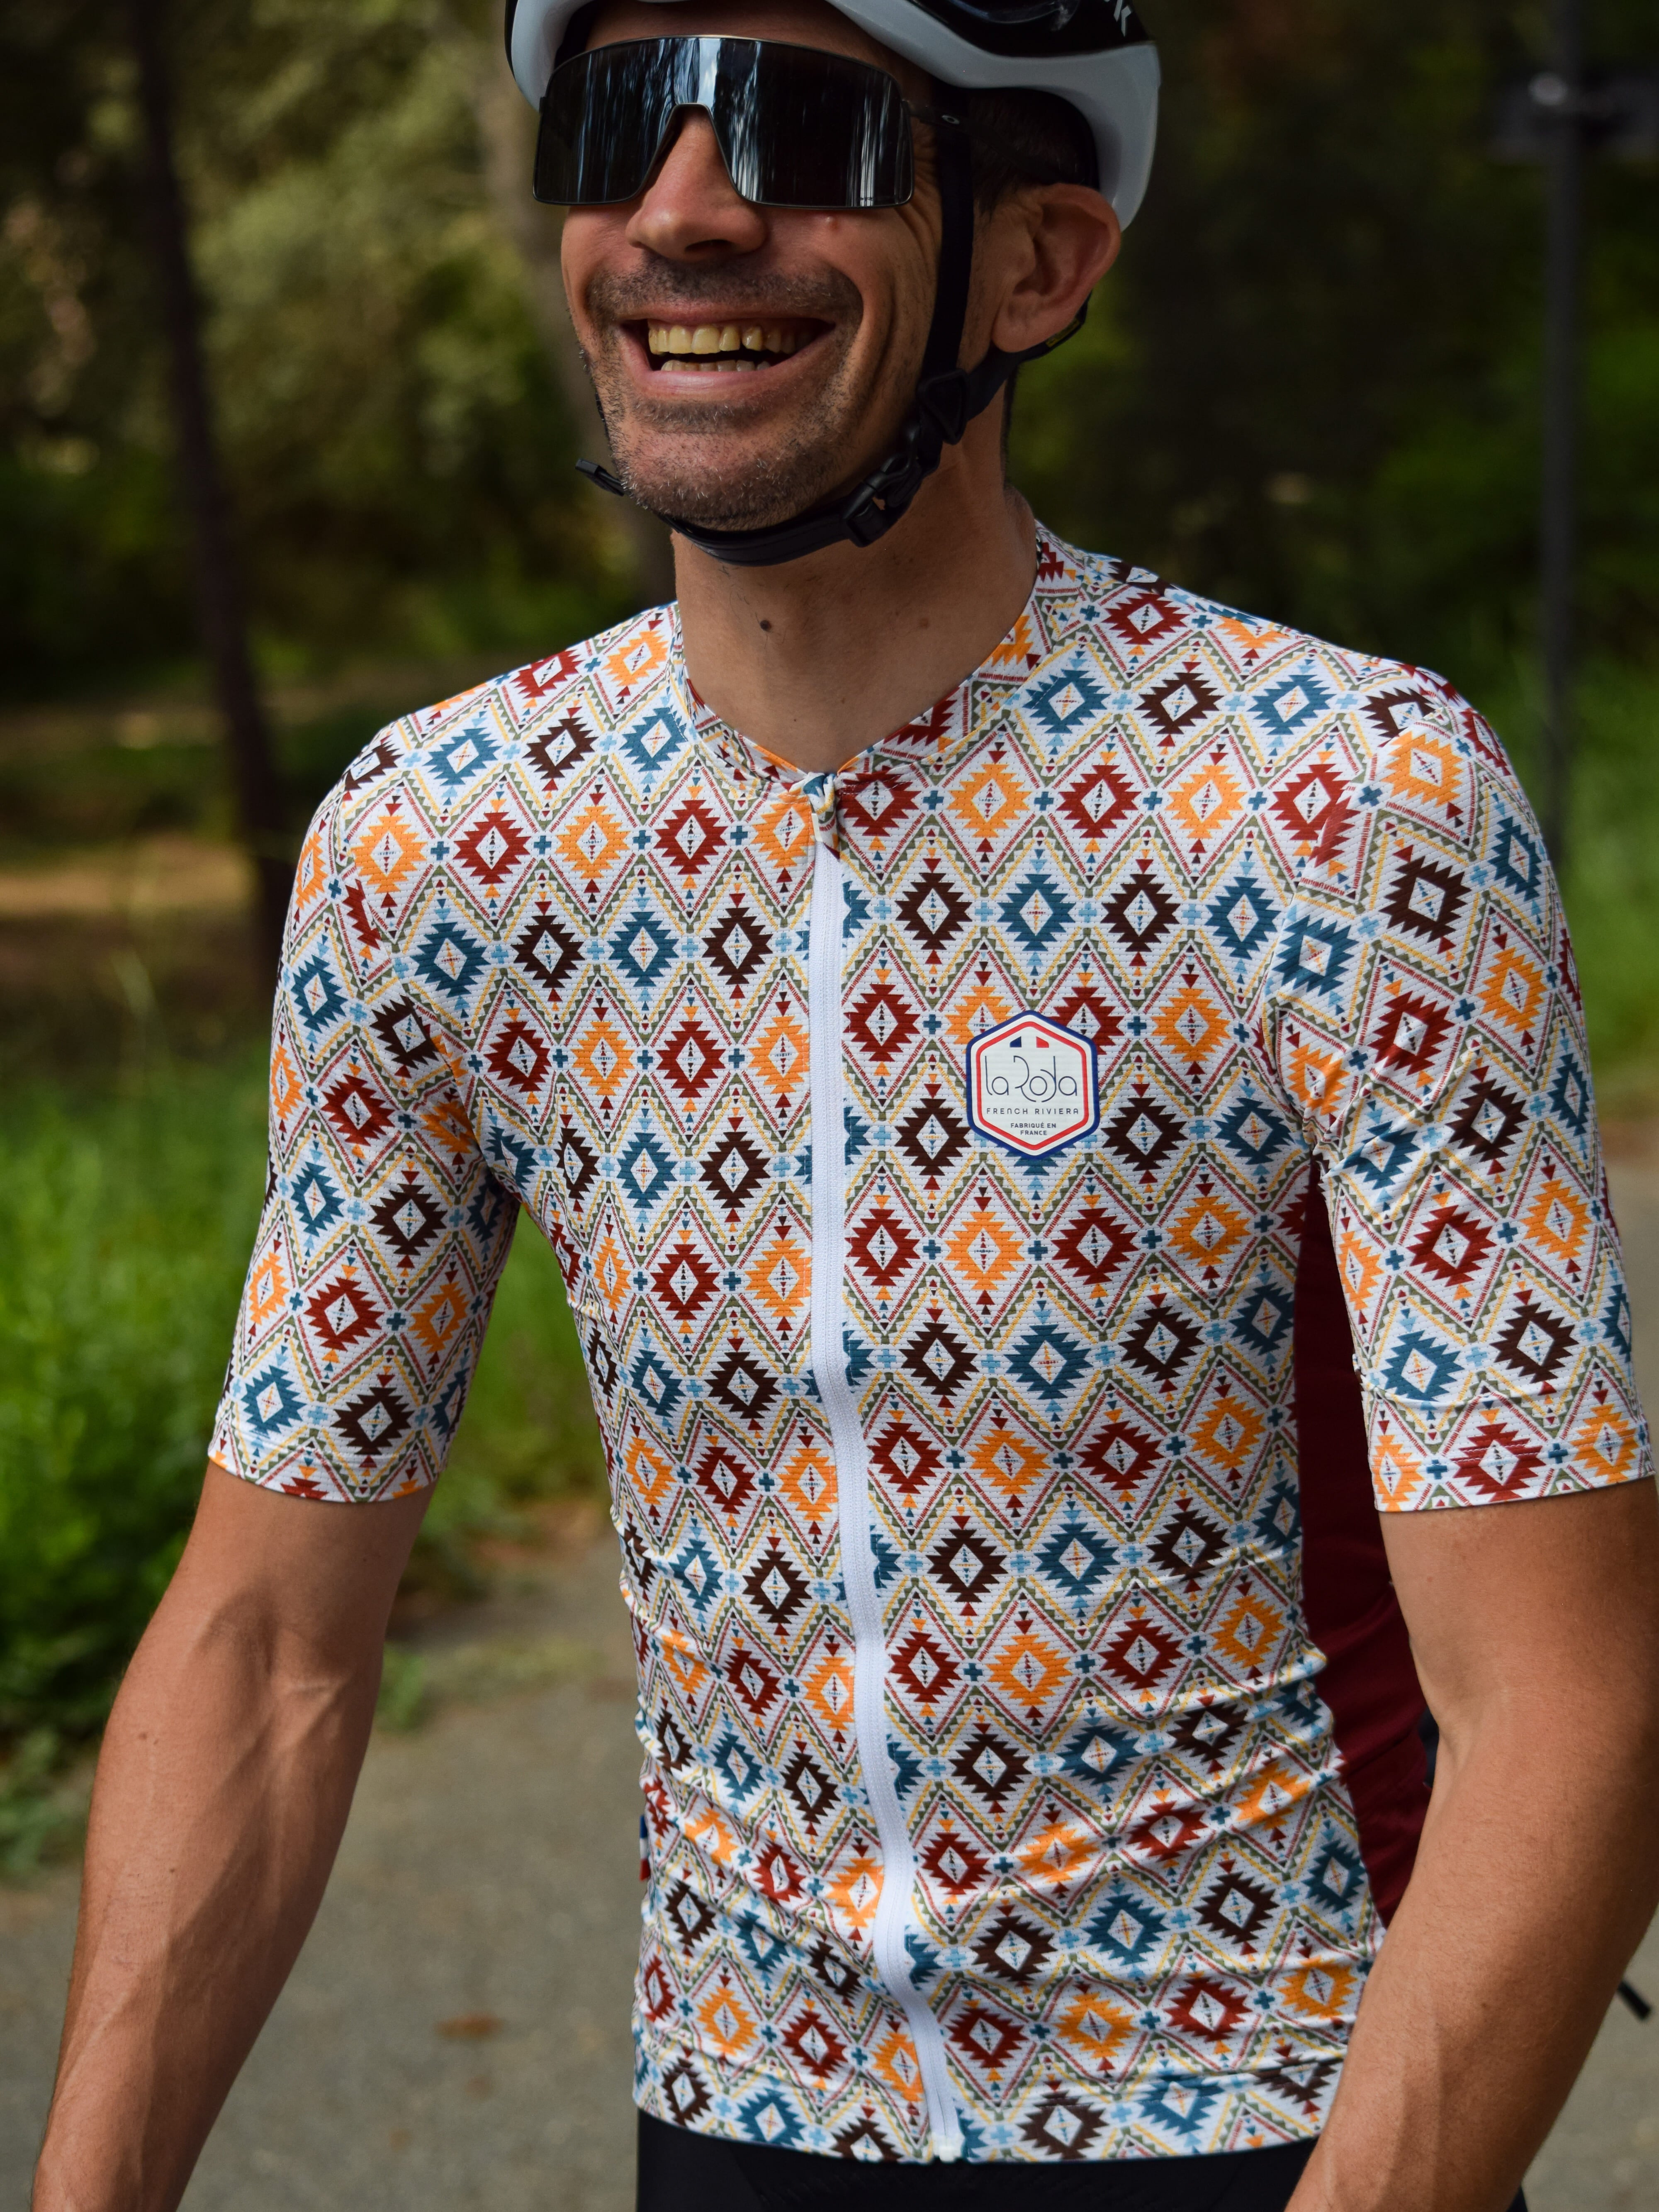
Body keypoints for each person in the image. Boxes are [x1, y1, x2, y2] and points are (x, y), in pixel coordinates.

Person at [33, 0, 1659, 2206]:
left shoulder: (1340, 809)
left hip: (1278, 2109)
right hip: (736, 2120)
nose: (688, 210)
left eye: (803, 127)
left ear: (1036, 262)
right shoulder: (442, 848)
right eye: (624, 118)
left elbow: (1570, 1701)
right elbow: (265, 1649)